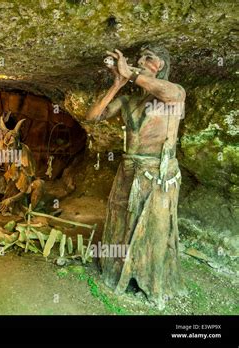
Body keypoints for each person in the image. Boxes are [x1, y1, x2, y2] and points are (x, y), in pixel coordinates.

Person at [85, 45, 186, 308]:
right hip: (129, 171)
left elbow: (171, 94)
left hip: (157, 175)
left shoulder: (174, 93)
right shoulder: (128, 102)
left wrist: (130, 73)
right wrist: (117, 84)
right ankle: (118, 271)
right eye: (138, 59)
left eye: (147, 58)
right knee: (123, 223)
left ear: (160, 65)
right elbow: (92, 117)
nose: (141, 61)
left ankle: (150, 279)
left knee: (153, 227)